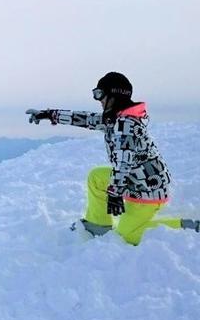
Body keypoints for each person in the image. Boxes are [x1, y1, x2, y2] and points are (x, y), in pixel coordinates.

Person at [26, 71, 198, 245]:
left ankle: (188, 227)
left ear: (115, 96)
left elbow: (124, 162)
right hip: (133, 181)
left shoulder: (126, 125)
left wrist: (115, 193)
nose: (98, 100)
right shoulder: (115, 119)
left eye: (100, 94)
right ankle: (98, 224)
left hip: (149, 190)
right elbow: (84, 119)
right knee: (97, 177)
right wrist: (49, 114)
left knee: (127, 237)